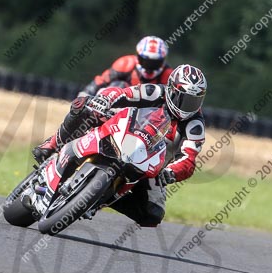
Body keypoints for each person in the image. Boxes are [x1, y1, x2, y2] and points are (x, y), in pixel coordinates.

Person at [32, 64, 207, 227]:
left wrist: (171, 173)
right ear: (171, 90)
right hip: (123, 130)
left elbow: (189, 159)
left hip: (151, 165)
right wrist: (105, 101)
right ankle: (54, 143)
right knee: (84, 108)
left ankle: (98, 199)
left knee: (153, 214)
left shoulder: (195, 125)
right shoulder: (155, 92)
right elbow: (124, 94)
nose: (189, 106)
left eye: (194, 101)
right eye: (184, 99)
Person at [80, 35, 173, 96]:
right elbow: (102, 80)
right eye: (146, 61)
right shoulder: (125, 63)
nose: (149, 67)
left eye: (154, 63)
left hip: (150, 115)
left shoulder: (169, 76)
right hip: (120, 107)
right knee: (118, 85)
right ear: (138, 56)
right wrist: (84, 95)